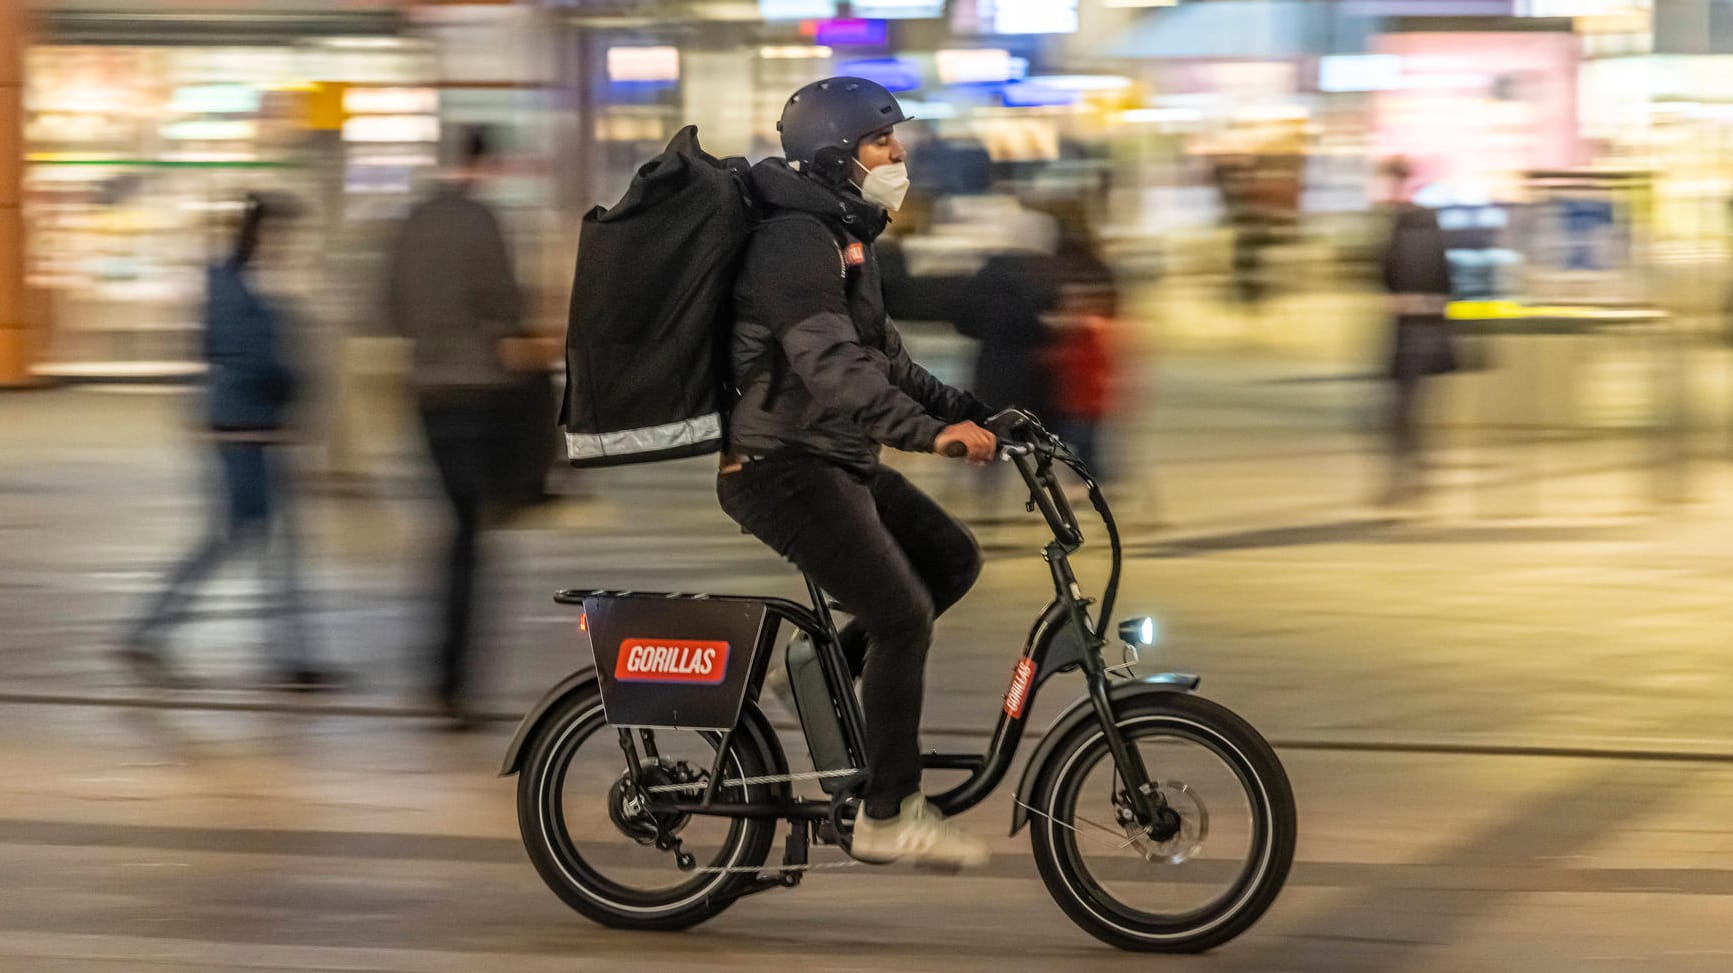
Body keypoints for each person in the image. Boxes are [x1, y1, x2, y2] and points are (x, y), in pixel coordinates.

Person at [720, 78, 1004, 869]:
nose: (897, 154)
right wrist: (929, 436)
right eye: (882, 142)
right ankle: (887, 811)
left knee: (950, 558)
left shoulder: (844, 232)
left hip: (832, 456)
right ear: (839, 155)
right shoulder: (792, 242)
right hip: (777, 465)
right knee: (901, 614)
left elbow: (884, 358)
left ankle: (815, 671)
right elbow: (833, 368)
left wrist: (973, 410)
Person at [124, 192, 338, 690]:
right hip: (247, 427)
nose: (290, 246)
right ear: (263, 234)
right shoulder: (239, 289)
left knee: (253, 538)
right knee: (249, 537)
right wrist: (291, 382)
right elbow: (252, 359)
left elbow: (212, 347)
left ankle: (285, 654)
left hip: (243, 424)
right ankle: (152, 632)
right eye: (284, 235)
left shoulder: (230, 283)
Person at [386, 125, 538, 726]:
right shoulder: (482, 221)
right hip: (479, 394)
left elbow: (390, 306)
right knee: (469, 537)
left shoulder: (412, 221)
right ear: (487, 161)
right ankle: (454, 683)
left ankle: (440, 675)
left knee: (452, 525)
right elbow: (506, 305)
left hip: (427, 393)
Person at [1376, 158, 1457, 507]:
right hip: (1409, 331)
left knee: (1404, 410)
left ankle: (1409, 478)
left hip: (1416, 332)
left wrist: (1415, 302)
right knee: (1403, 410)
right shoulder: (1401, 223)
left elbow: (1439, 282)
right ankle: (1412, 476)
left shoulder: (1413, 225)